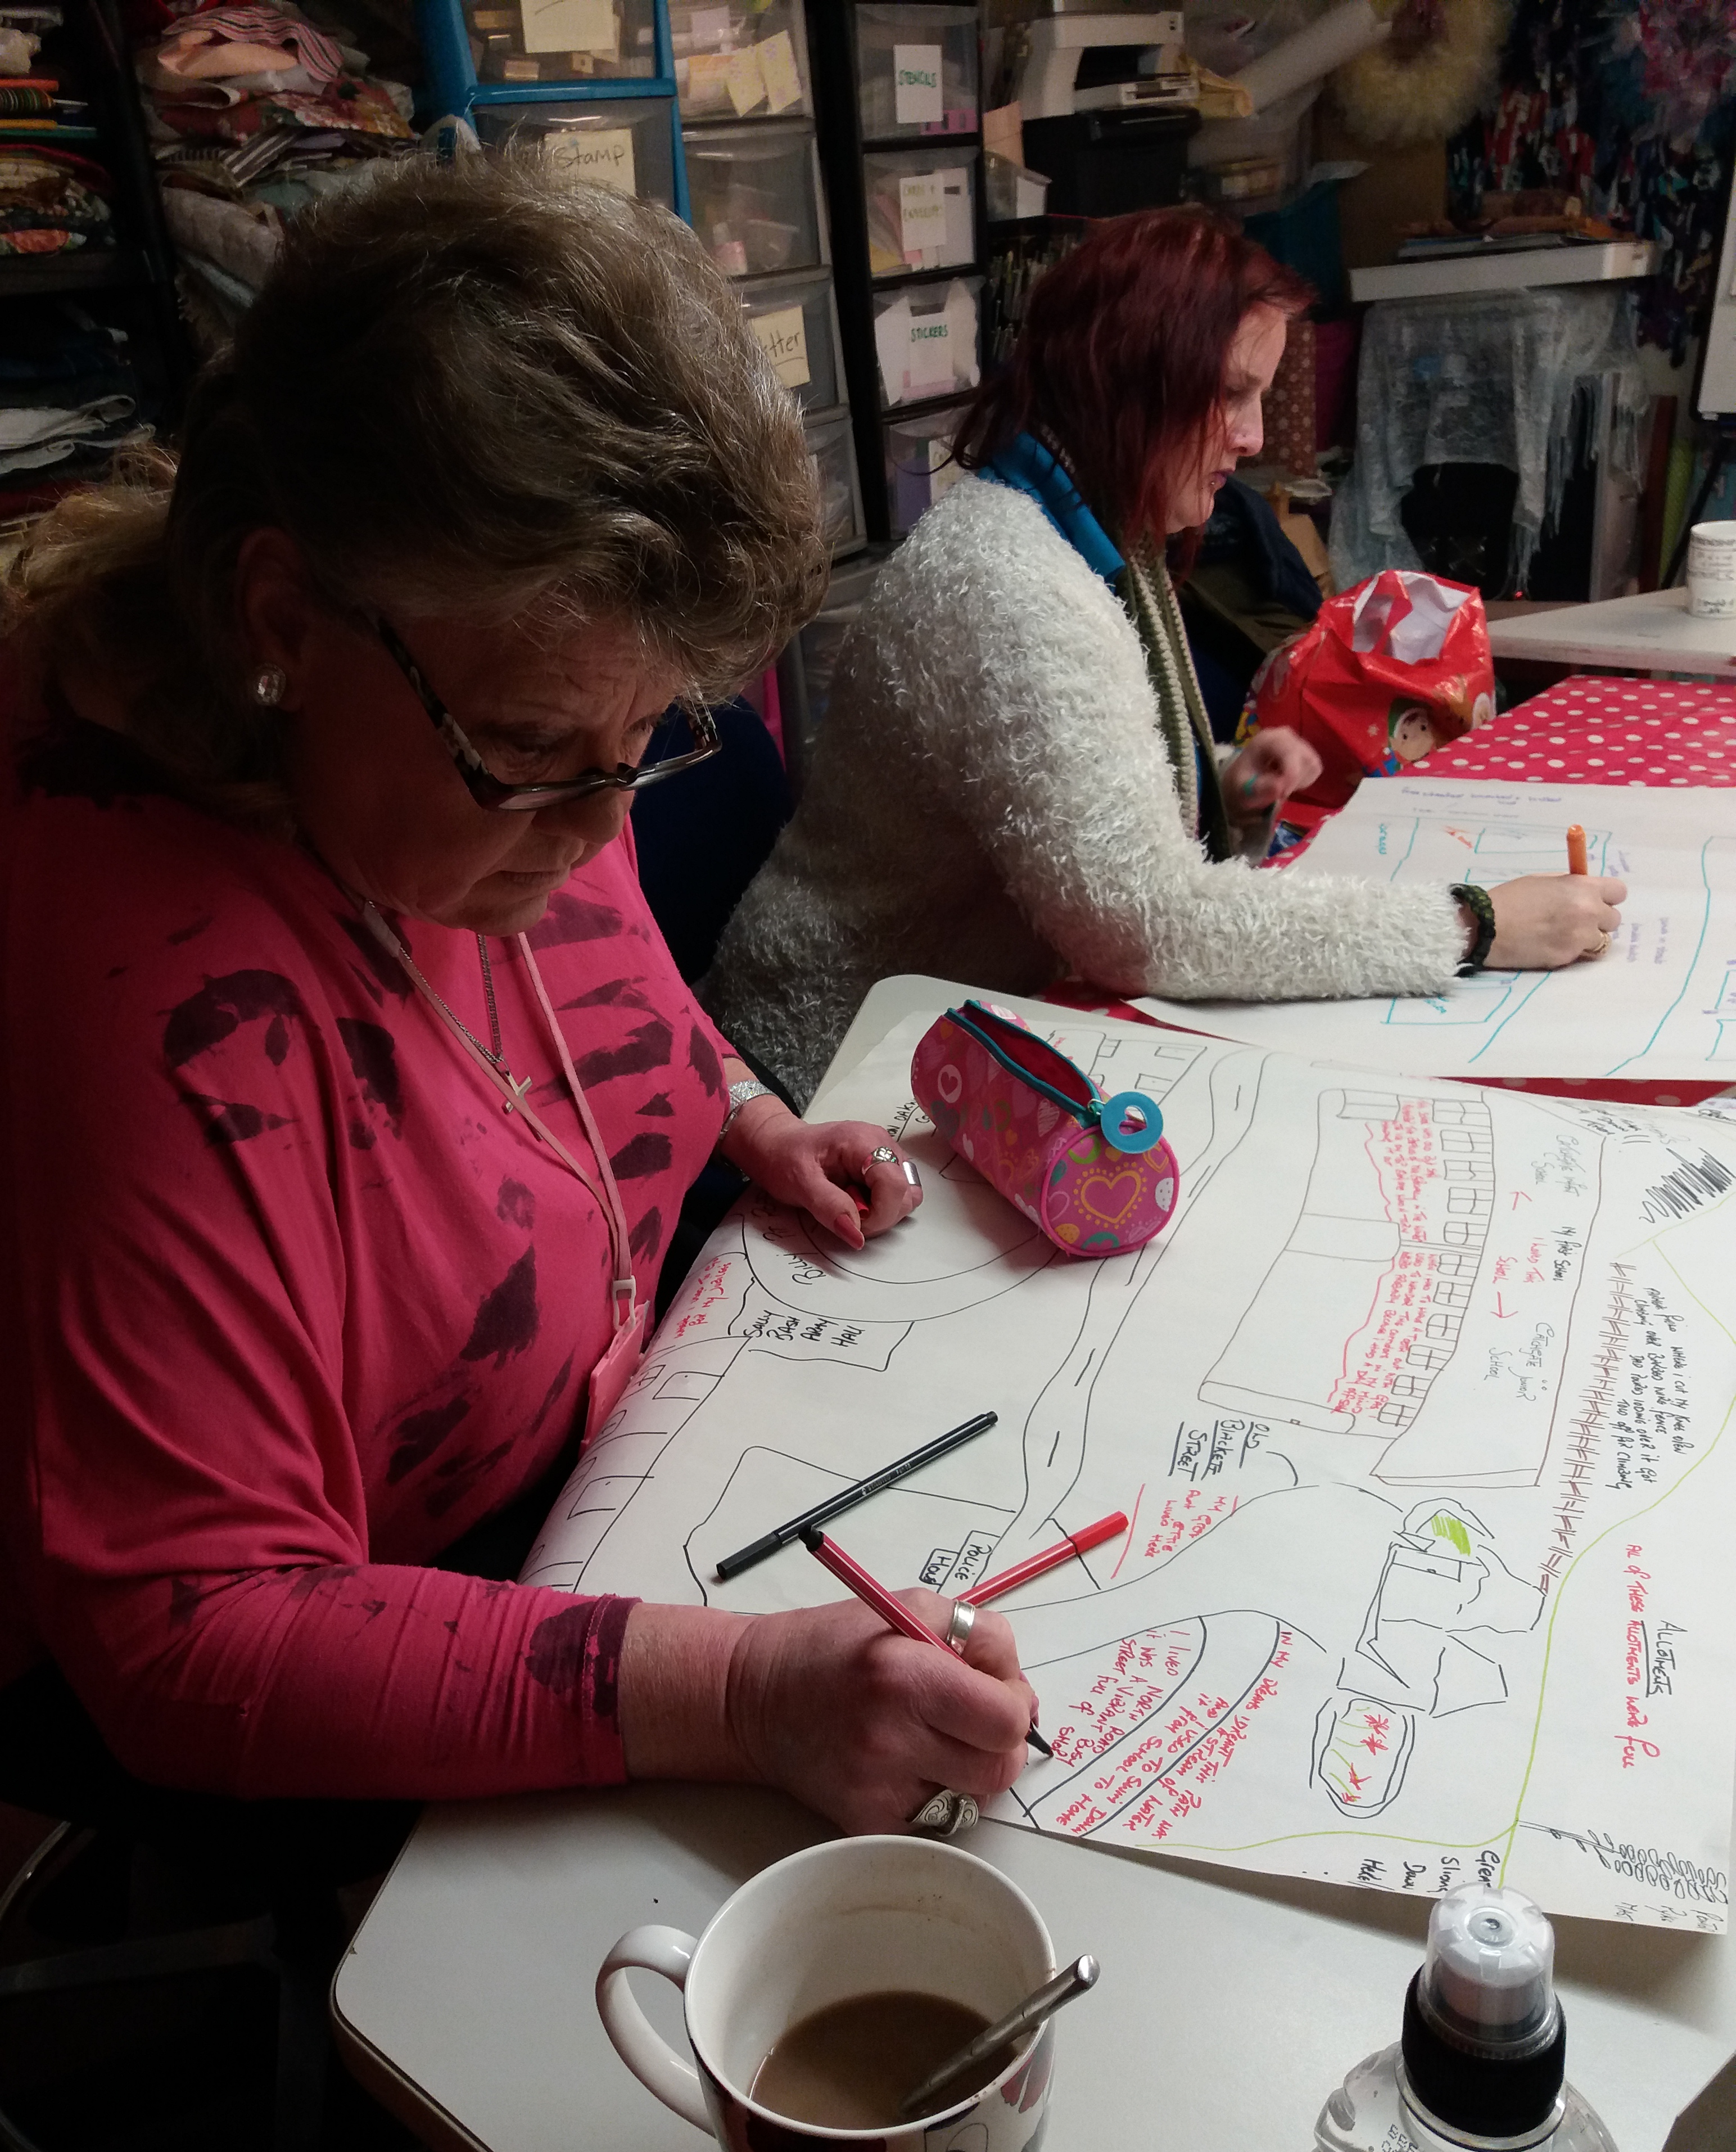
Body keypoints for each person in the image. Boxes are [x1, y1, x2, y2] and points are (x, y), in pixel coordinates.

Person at [0, 159, 1036, 1882]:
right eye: (540, 751)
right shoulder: (146, 999)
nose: (601, 826)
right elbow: (197, 1636)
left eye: (648, 743)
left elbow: (591, 977)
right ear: (280, 624)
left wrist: (738, 1114)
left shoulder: (479, 740)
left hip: (598, 1469)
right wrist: (744, 1696)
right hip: (356, 1633)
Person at [704, 206, 1627, 1109]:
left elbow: (1054, 792)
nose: (1254, 437)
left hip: (936, 1025)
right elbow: (1145, 927)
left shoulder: (1076, 530)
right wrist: (1473, 924)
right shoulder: (1009, 582)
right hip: (826, 1069)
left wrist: (1218, 783)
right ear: (1124, 379)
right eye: (1230, 394)